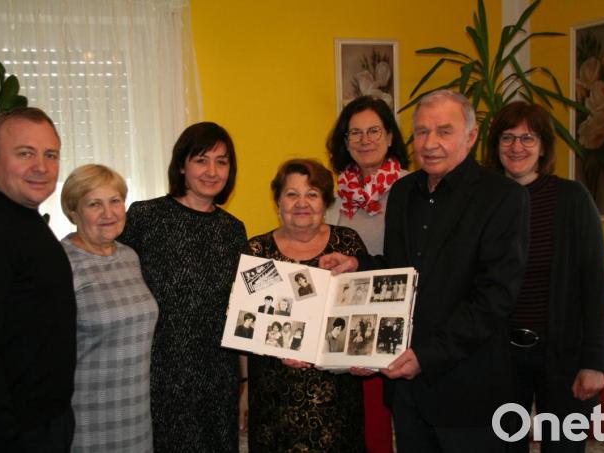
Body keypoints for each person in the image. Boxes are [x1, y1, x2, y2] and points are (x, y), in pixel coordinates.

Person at [321, 89, 529, 452]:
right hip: (407, 389)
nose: (430, 143)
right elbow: (401, 270)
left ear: (471, 135)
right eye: (421, 132)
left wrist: (426, 356)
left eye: (444, 131)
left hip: (468, 388)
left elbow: (494, 299)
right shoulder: (403, 192)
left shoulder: (502, 197)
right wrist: (359, 264)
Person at [486, 101, 604, 452]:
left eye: (528, 137)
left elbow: (594, 286)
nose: (516, 147)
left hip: (563, 355)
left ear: (543, 147)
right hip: (500, 356)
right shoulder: (485, 202)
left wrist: (594, 362)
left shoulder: (573, 199)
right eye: (507, 138)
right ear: (495, 146)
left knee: (563, 446)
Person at [118, 122, 247, 452]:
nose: (212, 171)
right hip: (161, 373)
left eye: (222, 161)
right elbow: (115, 280)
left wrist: (245, 382)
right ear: (181, 165)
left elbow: (240, 310)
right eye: (201, 160)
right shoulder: (145, 216)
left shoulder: (233, 230)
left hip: (219, 375)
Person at [0, 107, 77, 452]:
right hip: (11, 434)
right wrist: (6, 436)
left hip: (44, 423)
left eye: (50, 155)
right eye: (25, 153)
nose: (41, 167)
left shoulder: (24, 219)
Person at [243, 158, 368, 452]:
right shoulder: (259, 251)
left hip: (337, 402)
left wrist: (367, 355)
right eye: (292, 194)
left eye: (312, 194)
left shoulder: (346, 244)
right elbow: (247, 323)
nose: (302, 203)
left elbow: (364, 313)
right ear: (278, 201)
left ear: (325, 201)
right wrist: (276, 346)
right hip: (275, 401)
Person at [325, 95, 410, 453]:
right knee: (355, 421)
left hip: (395, 313)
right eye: (354, 133)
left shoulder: (413, 187)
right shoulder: (335, 194)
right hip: (345, 317)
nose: (365, 140)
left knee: (391, 419)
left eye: (374, 130)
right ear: (344, 142)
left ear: (390, 136)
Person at [58, 164, 158, 452]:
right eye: (94, 204)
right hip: (87, 419)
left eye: (115, 201)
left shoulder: (129, 257)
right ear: (73, 211)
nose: (108, 213)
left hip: (136, 416)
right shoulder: (62, 262)